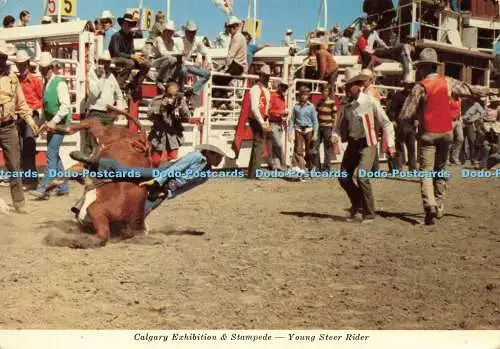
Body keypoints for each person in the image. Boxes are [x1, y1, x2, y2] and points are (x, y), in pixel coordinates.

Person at [398, 48, 491, 225]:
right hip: (446, 132)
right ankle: (439, 204)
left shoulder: (420, 87)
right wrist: (488, 90)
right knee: (440, 169)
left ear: (423, 68)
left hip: (428, 134)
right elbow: (470, 89)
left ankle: (430, 205)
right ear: (435, 66)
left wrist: (408, 125)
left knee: (426, 171)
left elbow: (405, 114)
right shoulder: (448, 82)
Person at [69, 144, 233, 217]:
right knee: (125, 172)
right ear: (209, 153)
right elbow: (175, 169)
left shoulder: (205, 175)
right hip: (160, 174)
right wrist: (157, 182)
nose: (219, 160)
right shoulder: (196, 156)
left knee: (144, 209)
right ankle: (93, 163)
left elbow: (186, 187)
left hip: (167, 187)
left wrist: (168, 193)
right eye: (218, 156)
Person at [337, 68, 396, 223]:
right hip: (353, 143)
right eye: (346, 86)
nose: (346, 89)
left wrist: (390, 144)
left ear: (358, 86)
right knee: (343, 177)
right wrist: (335, 136)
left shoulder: (370, 101)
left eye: (349, 86)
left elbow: (386, 123)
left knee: (362, 176)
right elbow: (339, 125)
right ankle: (358, 203)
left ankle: (369, 213)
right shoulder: (344, 104)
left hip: (368, 143)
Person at [0, 41, 39, 213]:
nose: (1, 60)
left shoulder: (12, 79)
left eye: (2, 57)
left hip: (8, 126)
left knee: (15, 165)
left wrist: (30, 121)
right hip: (7, 125)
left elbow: (21, 104)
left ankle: (19, 202)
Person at [30, 52, 72, 199]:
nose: (43, 70)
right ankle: (64, 187)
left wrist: (53, 121)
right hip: (52, 124)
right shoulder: (47, 84)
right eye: (41, 68)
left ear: (51, 67)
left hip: (60, 124)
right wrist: (42, 123)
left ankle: (43, 188)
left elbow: (65, 106)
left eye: (45, 67)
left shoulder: (59, 83)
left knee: (51, 154)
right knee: (54, 155)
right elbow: (45, 108)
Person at [15, 50, 43, 191]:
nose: (22, 67)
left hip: (32, 116)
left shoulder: (35, 81)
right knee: (20, 148)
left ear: (27, 64)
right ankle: (27, 179)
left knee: (28, 147)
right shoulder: (17, 81)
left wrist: (33, 109)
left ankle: (31, 180)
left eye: (23, 64)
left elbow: (41, 100)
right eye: (19, 65)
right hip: (20, 116)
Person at [109, 13, 151, 99]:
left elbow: (132, 51)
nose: (128, 25)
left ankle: (132, 85)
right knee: (131, 63)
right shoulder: (115, 36)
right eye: (126, 23)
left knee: (146, 65)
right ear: (122, 24)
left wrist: (138, 57)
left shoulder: (130, 36)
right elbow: (116, 53)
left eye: (130, 24)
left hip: (127, 58)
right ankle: (118, 87)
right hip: (114, 59)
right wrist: (132, 56)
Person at [148, 82, 190, 167]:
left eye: (175, 95)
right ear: (165, 92)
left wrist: (181, 108)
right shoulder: (157, 100)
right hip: (158, 134)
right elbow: (149, 116)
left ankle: (167, 177)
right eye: (170, 95)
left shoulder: (180, 101)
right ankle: (153, 176)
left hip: (173, 134)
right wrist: (161, 107)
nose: (172, 98)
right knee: (155, 161)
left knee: (172, 160)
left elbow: (187, 117)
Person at [247, 64, 272, 179]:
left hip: (261, 118)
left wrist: (264, 120)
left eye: (268, 76)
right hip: (257, 119)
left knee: (258, 145)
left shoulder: (262, 89)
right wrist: (262, 122)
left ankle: (253, 172)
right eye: (265, 76)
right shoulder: (256, 89)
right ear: (260, 75)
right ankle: (255, 172)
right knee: (259, 145)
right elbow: (254, 108)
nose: (267, 78)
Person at [212, 16, 247, 95]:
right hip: (238, 66)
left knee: (216, 79)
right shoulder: (239, 37)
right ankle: (223, 98)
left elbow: (231, 55)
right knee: (221, 79)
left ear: (235, 27)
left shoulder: (237, 38)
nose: (230, 29)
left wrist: (225, 68)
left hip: (236, 66)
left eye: (231, 27)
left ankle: (222, 99)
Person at [177, 20, 212, 96]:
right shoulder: (180, 41)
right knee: (183, 70)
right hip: (180, 65)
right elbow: (181, 60)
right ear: (186, 32)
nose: (192, 34)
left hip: (188, 65)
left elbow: (206, 52)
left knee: (207, 74)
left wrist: (209, 63)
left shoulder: (197, 41)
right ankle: (181, 91)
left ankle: (193, 91)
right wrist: (194, 63)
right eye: (191, 32)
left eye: (194, 32)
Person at [289, 86, 318, 173]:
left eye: (305, 94)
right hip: (298, 130)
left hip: (308, 130)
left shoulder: (311, 107)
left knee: (310, 150)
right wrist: (290, 132)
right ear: (299, 95)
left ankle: (311, 168)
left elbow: (315, 121)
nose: (303, 96)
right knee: (298, 150)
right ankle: (300, 169)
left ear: (308, 95)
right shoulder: (296, 107)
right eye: (302, 94)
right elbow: (292, 120)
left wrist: (315, 133)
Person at [151, 21, 183, 90]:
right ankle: (159, 80)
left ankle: (171, 80)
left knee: (178, 60)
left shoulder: (171, 41)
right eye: (168, 31)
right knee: (170, 58)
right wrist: (177, 52)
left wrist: (179, 54)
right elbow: (163, 53)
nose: (170, 33)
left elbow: (172, 53)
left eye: (171, 31)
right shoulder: (159, 39)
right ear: (164, 31)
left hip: (165, 62)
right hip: (155, 61)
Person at [314, 84, 337, 171]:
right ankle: (317, 167)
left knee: (327, 148)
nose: (324, 93)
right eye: (323, 91)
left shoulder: (332, 102)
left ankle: (327, 168)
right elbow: (316, 114)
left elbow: (335, 116)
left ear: (328, 92)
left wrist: (333, 130)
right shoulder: (319, 102)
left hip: (328, 127)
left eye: (326, 91)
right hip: (320, 127)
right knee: (315, 147)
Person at [267, 80, 289, 170]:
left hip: (279, 124)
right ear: (279, 87)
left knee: (276, 145)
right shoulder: (273, 96)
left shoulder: (283, 99)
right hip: (273, 123)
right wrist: (280, 113)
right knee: (278, 144)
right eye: (283, 87)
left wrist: (284, 117)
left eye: (285, 87)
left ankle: (276, 166)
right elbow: (269, 111)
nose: (284, 89)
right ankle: (283, 163)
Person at [461, 96, 485, 166]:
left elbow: (482, 113)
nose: (470, 99)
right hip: (462, 122)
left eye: (472, 98)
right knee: (461, 140)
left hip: (470, 124)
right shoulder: (464, 102)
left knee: (471, 141)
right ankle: (463, 158)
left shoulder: (476, 104)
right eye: (469, 98)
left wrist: (474, 118)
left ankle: (472, 159)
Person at [449, 96, 463, 165]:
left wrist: (460, 118)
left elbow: (459, 109)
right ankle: (446, 158)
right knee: (449, 139)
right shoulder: (449, 99)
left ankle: (455, 157)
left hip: (458, 120)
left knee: (460, 139)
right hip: (450, 121)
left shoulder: (459, 99)